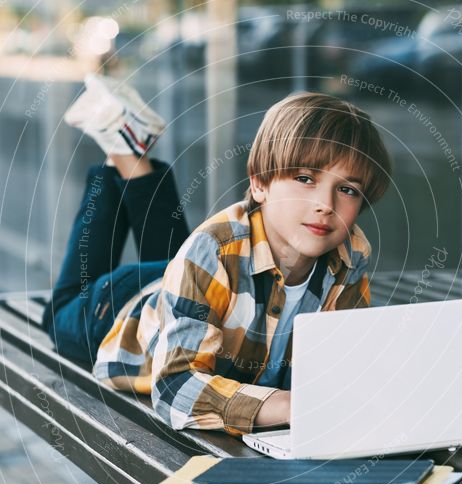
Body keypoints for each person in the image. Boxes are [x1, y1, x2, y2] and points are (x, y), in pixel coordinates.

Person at [43, 75, 393, 438]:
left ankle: (128, 145)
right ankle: (121, 150)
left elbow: (340, 367)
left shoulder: (350, 252)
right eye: (305, 178)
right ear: (259, 183)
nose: (325, 205)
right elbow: (175, 388)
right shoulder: (213, 248)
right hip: (122, 308)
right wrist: (289, 405)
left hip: (198, 286)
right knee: (58, 313)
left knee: (198, 253)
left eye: (348, 189)